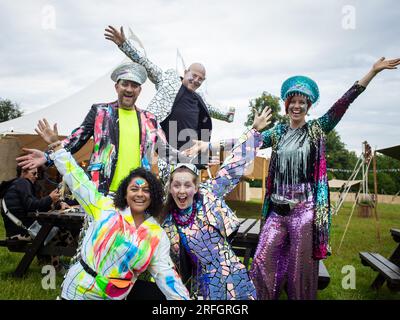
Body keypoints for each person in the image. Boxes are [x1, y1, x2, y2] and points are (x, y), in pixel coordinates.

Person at [250, 57, 400, 300]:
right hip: (277, 212)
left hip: (305, 211)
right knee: (261, 262)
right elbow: (247, 146)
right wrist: (252, 131)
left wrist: (372, 72)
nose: (297, 106)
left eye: (302, 102)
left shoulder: (317, 129)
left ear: (308, 106)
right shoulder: (277, 132)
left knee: (301, 272)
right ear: (286, 105)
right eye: (293, 102)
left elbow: (344, 102)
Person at [34, 119, 190, 300]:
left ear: (153, 196)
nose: (140, 194)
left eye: (146, 190)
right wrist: (57, 147)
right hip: (76, 291)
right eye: (134, 188)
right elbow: (77, 180)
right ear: (124, 193)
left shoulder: (156, 236)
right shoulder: (105, 207)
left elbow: (166, 276)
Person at [17, 61, 194, 195]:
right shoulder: (100, 112)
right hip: (101, 192)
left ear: (139, 90)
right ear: (117, 86)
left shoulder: (149, 119)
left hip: (137, 194)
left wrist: (194, 158)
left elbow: (166, 152)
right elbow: (75, 141)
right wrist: (48, 156)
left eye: (134, 85)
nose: (129, 89)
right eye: (125, 83)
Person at [161, 106, 272, 300]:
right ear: (170, 189)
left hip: (232, 276)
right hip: (200, 284)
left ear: (196, 187)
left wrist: (253, 130)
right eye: (176, 185)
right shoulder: (168, 219)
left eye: (187, 185)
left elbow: (233, 165)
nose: (182, 191)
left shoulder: (208, 195)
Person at [104, 26, 235, 172]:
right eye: (194, 75)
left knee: (187, 192)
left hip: (191, 157)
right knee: (166, 190)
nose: (196, 80)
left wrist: (228, 116)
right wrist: (124, 44)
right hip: (165, 155)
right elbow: (145, 63)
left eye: (200, 79)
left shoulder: (199, 99)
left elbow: (213, 110)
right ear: (185, 72)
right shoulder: (168, 81)